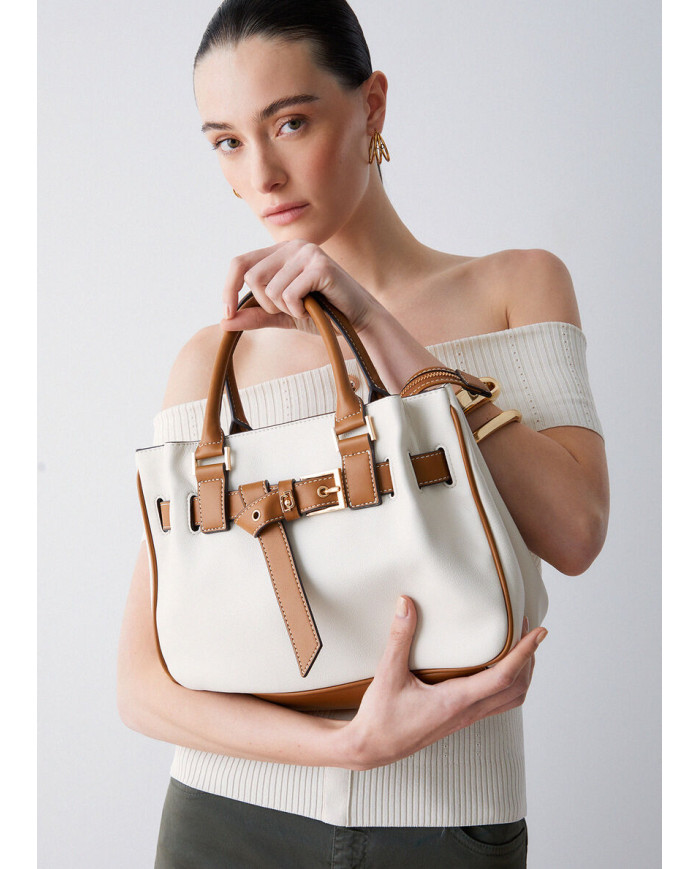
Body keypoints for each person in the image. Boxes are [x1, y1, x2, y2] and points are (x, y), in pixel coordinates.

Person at [117, 1, 609, 866]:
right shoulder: (212, 364)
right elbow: (142, 685)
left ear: (372, 106)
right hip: (223, 820)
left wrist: (374, 324)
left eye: (291, 123)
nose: (262, 174)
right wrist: (348, 746)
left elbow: (575, 532)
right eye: (227, 141)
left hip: (448, 824)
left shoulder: (515, 287)